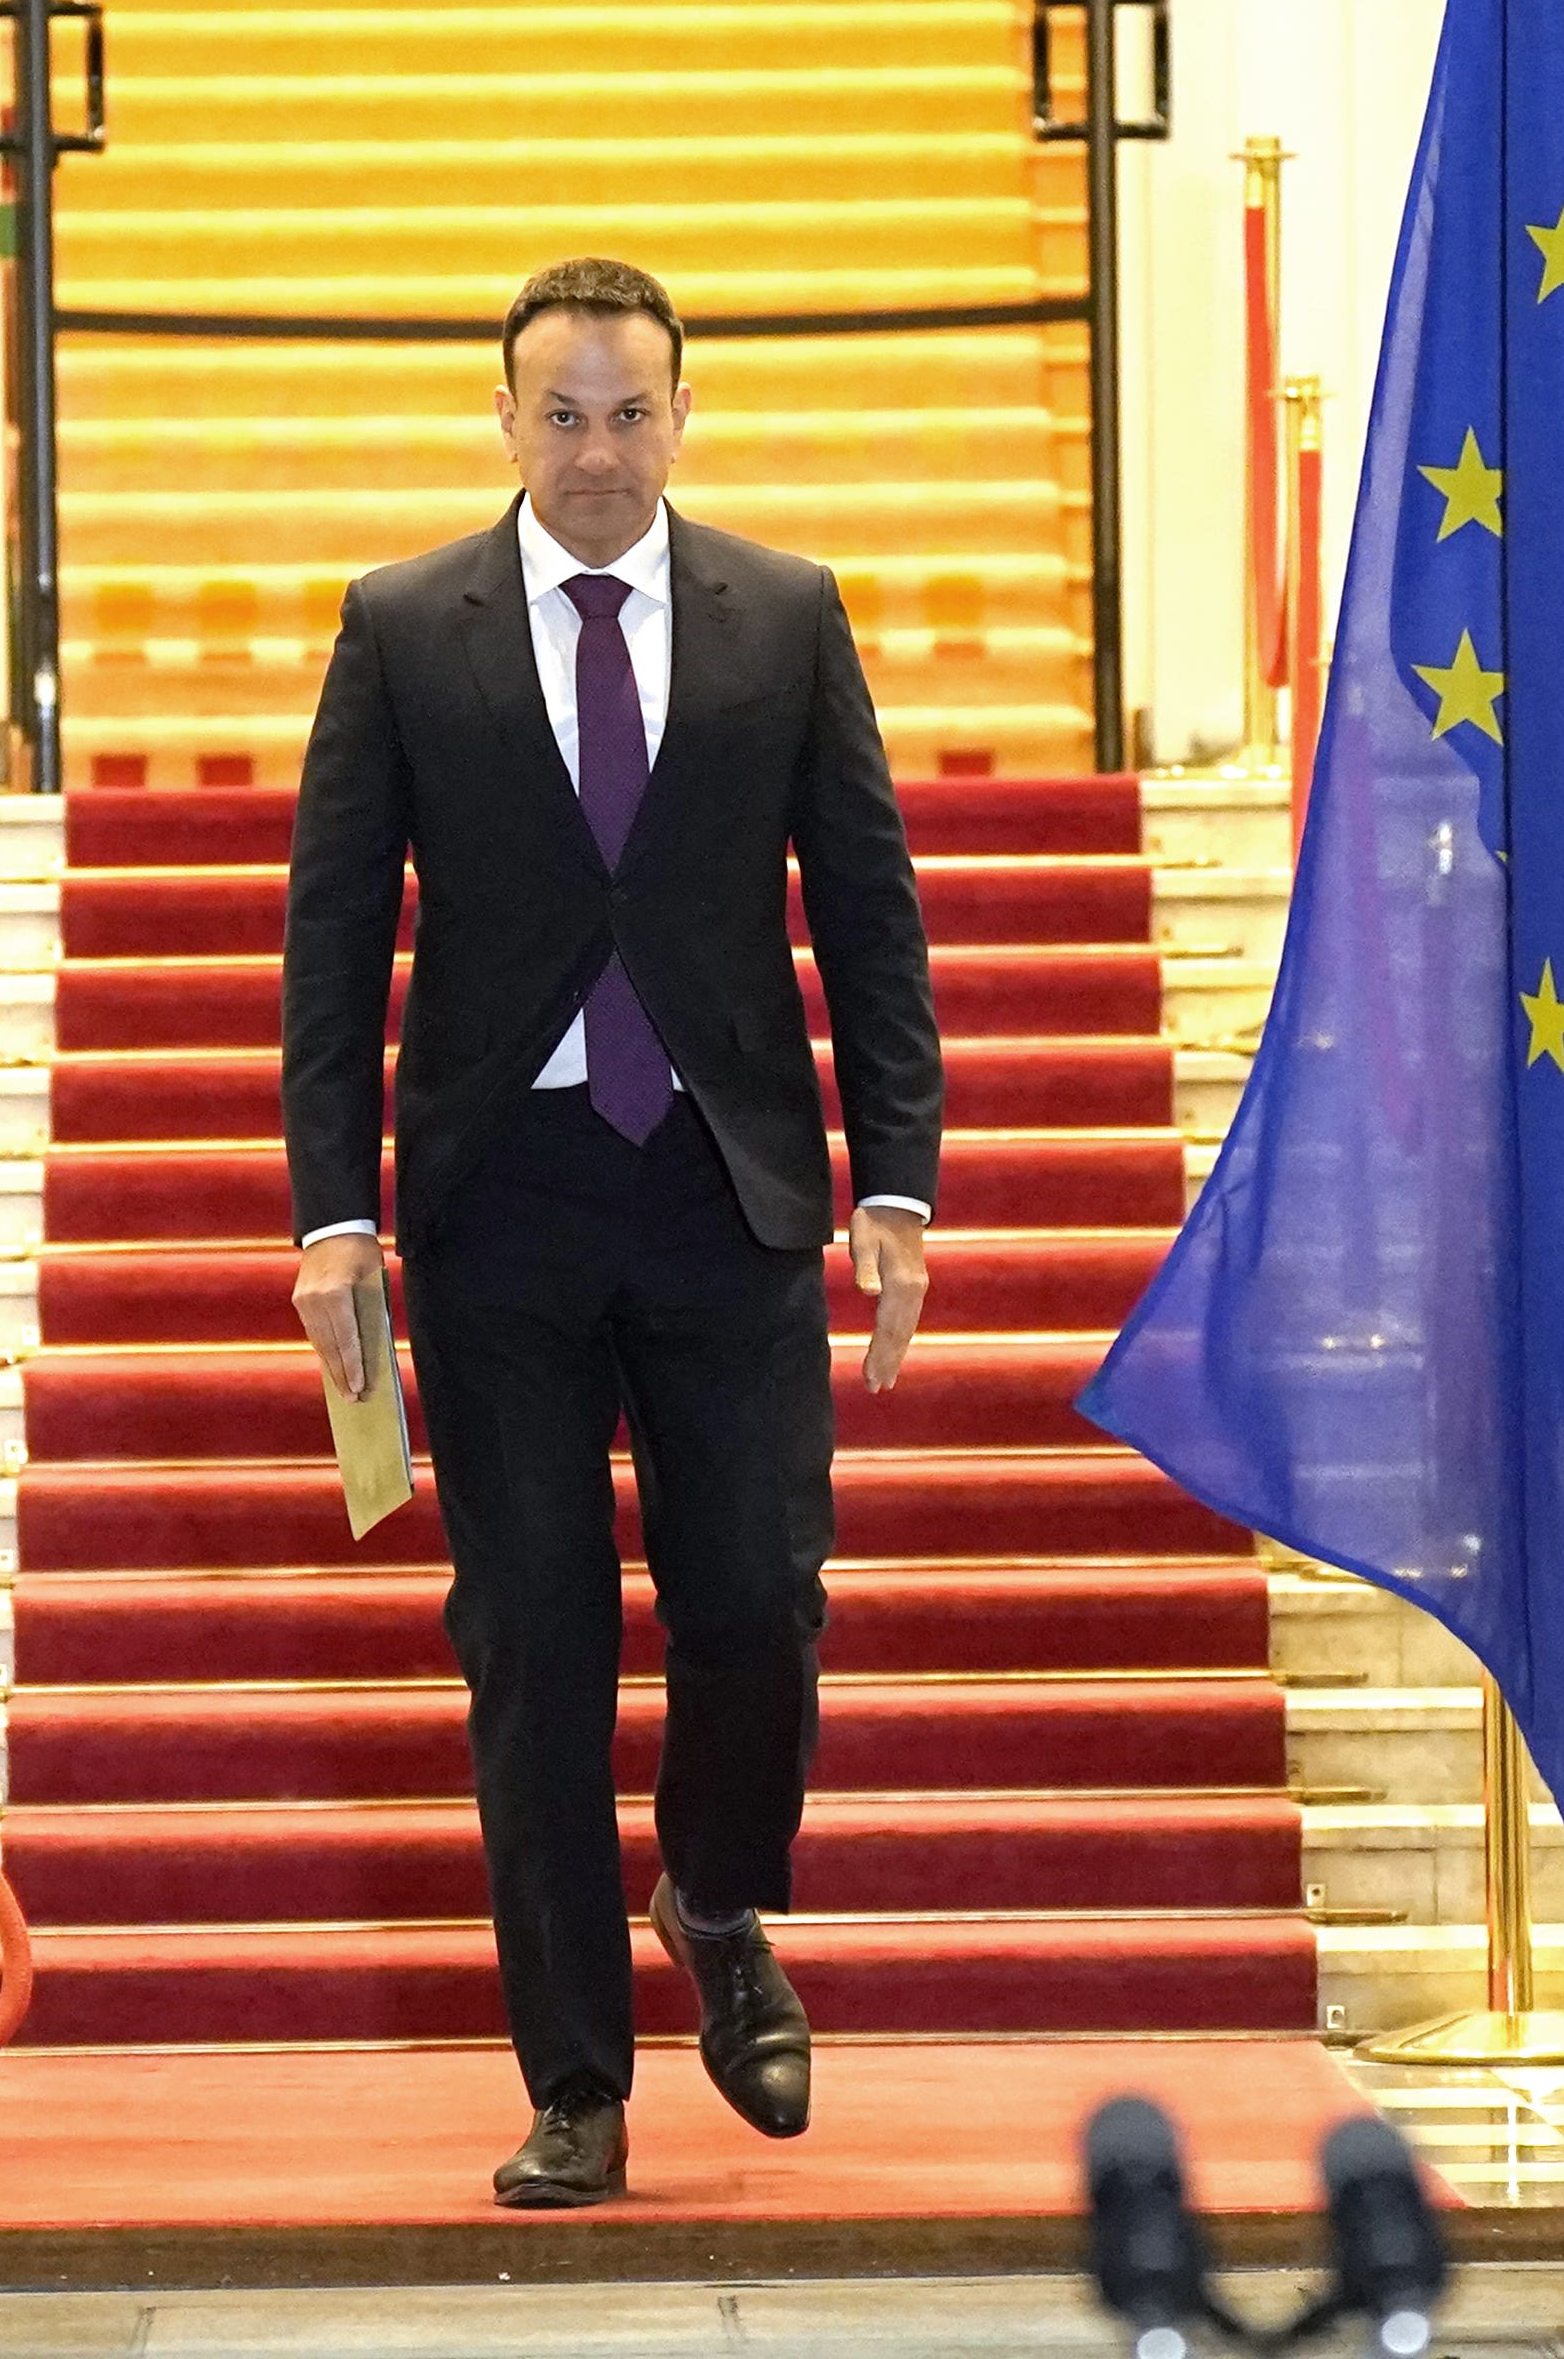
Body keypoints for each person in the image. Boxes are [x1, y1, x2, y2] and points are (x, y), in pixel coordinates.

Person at [281, 257, 944, 2208]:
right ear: (503, 420)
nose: (594, 448)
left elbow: (869, 907)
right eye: (558, 413)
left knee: (757, 1602)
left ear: (682, 415)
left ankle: (719, 1897)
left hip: (727, 1195)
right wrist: (334, 1214)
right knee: (537, 1649)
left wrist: (894, 1172)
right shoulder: (405, 627)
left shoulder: (786, 613)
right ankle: (575, 2076)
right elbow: (334, 938)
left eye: (628, 410)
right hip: (500, 1210)